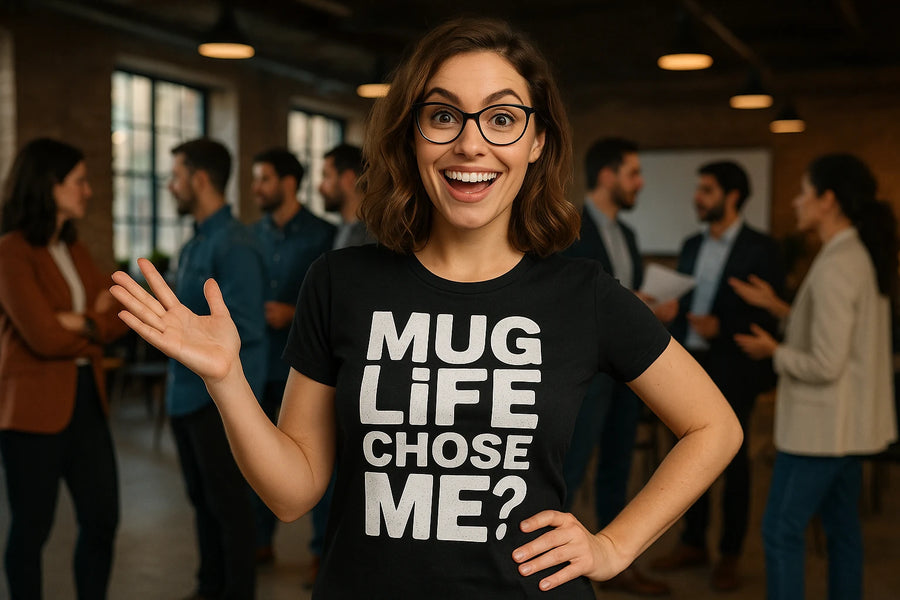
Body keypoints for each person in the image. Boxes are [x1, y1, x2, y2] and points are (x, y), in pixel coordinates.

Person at [110, 19, 742, 598]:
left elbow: (715, 427)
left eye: (501, 119)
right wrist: (226, 380)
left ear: (538, 141)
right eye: (444, 116)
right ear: (411, 135)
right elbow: (292, 494)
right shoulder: (342, 282)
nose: (471, 144)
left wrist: (612, 546)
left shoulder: (584, 295)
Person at [730, 154, 898, 600]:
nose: (795, 200)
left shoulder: (838, 265)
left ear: (828, 200)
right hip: (846, 429)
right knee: (843, 532)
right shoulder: (854, 253)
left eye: (804, 192)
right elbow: (837, 334)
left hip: (821, 431)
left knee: (780, 531)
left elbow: (825, 363)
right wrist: (777, 307)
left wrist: (774, 352)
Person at [0, 138, 128, 599]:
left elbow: (118, 318)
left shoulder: (75, 251)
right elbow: (42, 336)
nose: (88, 191)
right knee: (31, 528)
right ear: (49, 186)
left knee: (102, 518)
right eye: (79, 181)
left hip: (86, 401)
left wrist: (80, 321)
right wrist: (90, 324)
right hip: (31, 411)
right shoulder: (11, 251)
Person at [651, 161, 784, 591]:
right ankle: (693, 542)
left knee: (734, 461)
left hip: (735, 366)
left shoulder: (762, 248)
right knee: (686, 456)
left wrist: (722, 329)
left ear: (731, 196)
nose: (697, 198)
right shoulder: (690, 244)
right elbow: (681, 294)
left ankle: (729, 553)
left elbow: (771, 315)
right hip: (688, 364)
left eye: (706, 190)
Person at [561, 137, 669, 596]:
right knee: (566, 471)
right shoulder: (569, 227)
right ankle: (548, 567)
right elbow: (562, 301)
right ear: (607, 175)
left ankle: (616, 559)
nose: (639, 183)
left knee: (618, 465)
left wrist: (644, 307)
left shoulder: (626, 234)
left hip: (629, 374)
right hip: (584, 377)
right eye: (633, 173)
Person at [166, 138, 266, 599]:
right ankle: (209, 587)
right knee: (202, 501)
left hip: (215, 402)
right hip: (182, 395)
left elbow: (245, 328)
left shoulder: (236, 245)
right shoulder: (195, 242)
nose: (172, 186)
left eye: (177, 176)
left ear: (200, 179)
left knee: (229, 505)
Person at [250, 147, 335, 566]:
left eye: (263, 179)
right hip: (259, 364)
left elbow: (338, 304)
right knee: (260, 459)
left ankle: (320, 551)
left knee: (315, 460)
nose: (255, 189)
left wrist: (293, 313)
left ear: (287, 183)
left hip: (306, 369)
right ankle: (260, 542)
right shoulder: (253, 235)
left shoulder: (325, 234)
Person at [319, 143, 374, 249]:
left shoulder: (372, 237)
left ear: (348, 178)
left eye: (327, 176)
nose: (320, 187)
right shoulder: (341, 229)